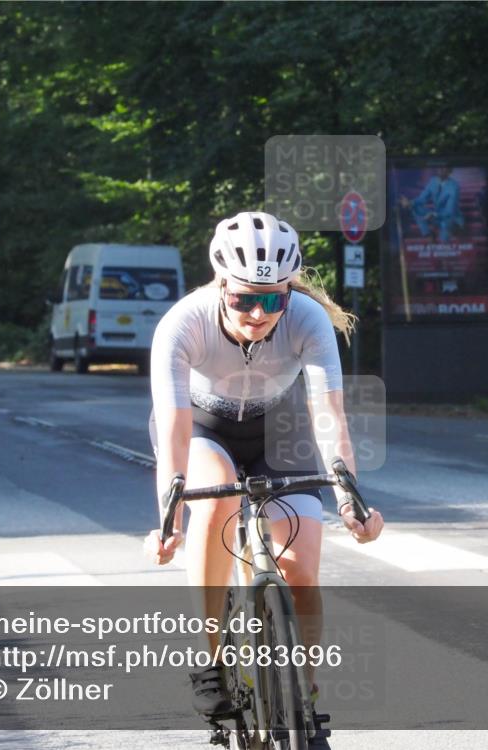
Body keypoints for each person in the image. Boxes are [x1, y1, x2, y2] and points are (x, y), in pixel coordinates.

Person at [143, 211, 384, 747]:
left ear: (289, 292)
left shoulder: (307, 319)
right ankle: (210, 664)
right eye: (243, 299)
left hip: (280, 427)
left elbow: (329, 417)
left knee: (301, 568)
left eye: (272, 299)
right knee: (215, 499)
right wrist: (169, 516)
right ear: (221, 286)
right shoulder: (183, 324)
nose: (257, 313)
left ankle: (307, 698)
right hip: (203, 428)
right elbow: (177, 431)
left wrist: (350, 500)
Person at [400, 166, 464, 241]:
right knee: (415, 206)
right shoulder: (433, 181)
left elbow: (449, 211)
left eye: (444, 168)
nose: (440, 169)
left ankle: (444, 239)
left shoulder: (454, 187)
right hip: (437, 216)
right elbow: (422, 199)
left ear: (450, 171)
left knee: (444, 236)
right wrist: (409, 202)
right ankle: (427, 234)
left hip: (451, 219)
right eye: (439, 167)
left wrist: (433, 214)